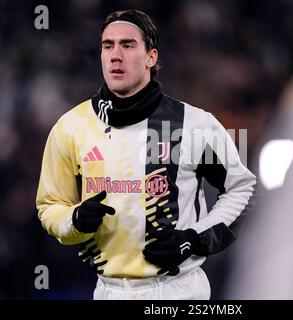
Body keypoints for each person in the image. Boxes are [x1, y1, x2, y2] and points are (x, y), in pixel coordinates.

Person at [36, 9, 256, 300]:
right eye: (107, 46)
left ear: (151, 57)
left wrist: (193, 239)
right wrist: (75, 220)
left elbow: (243, 191)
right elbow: (50, 205)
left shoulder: (194, 123)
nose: (115, 55)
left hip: (180, 290)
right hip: (108, 291)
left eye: (127, 45)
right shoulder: (70, 127)